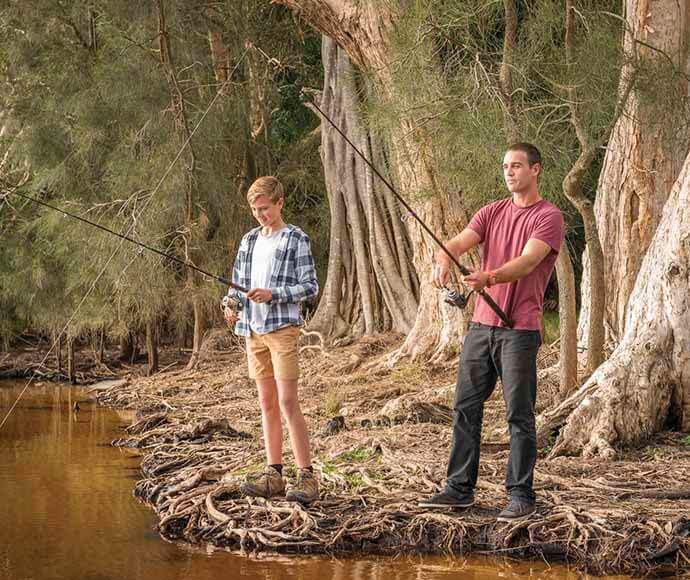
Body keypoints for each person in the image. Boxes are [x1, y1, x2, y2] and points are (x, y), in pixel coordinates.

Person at [419, 143, 564, 521]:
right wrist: (443, 260)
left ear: (536, 169)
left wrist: (490, 277)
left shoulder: (548, 217)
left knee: (519, 414)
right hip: (481, 326)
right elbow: (457, 242)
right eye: (505, 166)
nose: (509, 172)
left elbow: (529, 260)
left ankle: (521, 494)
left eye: (516, 166)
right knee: (465, 408)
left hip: (520, 330)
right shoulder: (491, 212)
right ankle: (459, 489)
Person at [223, 176, 319, 504]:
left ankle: (307, 476)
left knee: (288, 401)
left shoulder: (295, 239)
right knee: (266, 404)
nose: (260, 215)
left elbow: (310, 287)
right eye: (254, 209)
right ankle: (274, 473)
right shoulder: (249, 240)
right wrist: (231, 305)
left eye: (265, 208)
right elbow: (236, 286)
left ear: (280, 203)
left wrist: (274, 294)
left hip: (282, 331)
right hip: (253, 331)